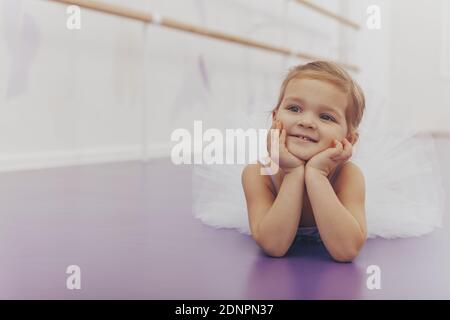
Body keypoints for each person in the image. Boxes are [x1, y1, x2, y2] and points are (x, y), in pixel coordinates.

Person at [192, 61, 444, 262]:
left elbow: (346, 252)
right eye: (294, 109)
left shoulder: (348, 176)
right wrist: (291, 174)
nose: (307, 122)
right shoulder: (257, 173)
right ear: (274, 118)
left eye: (326, 116)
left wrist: (316, 175)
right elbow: (274, 246)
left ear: (349, 139)